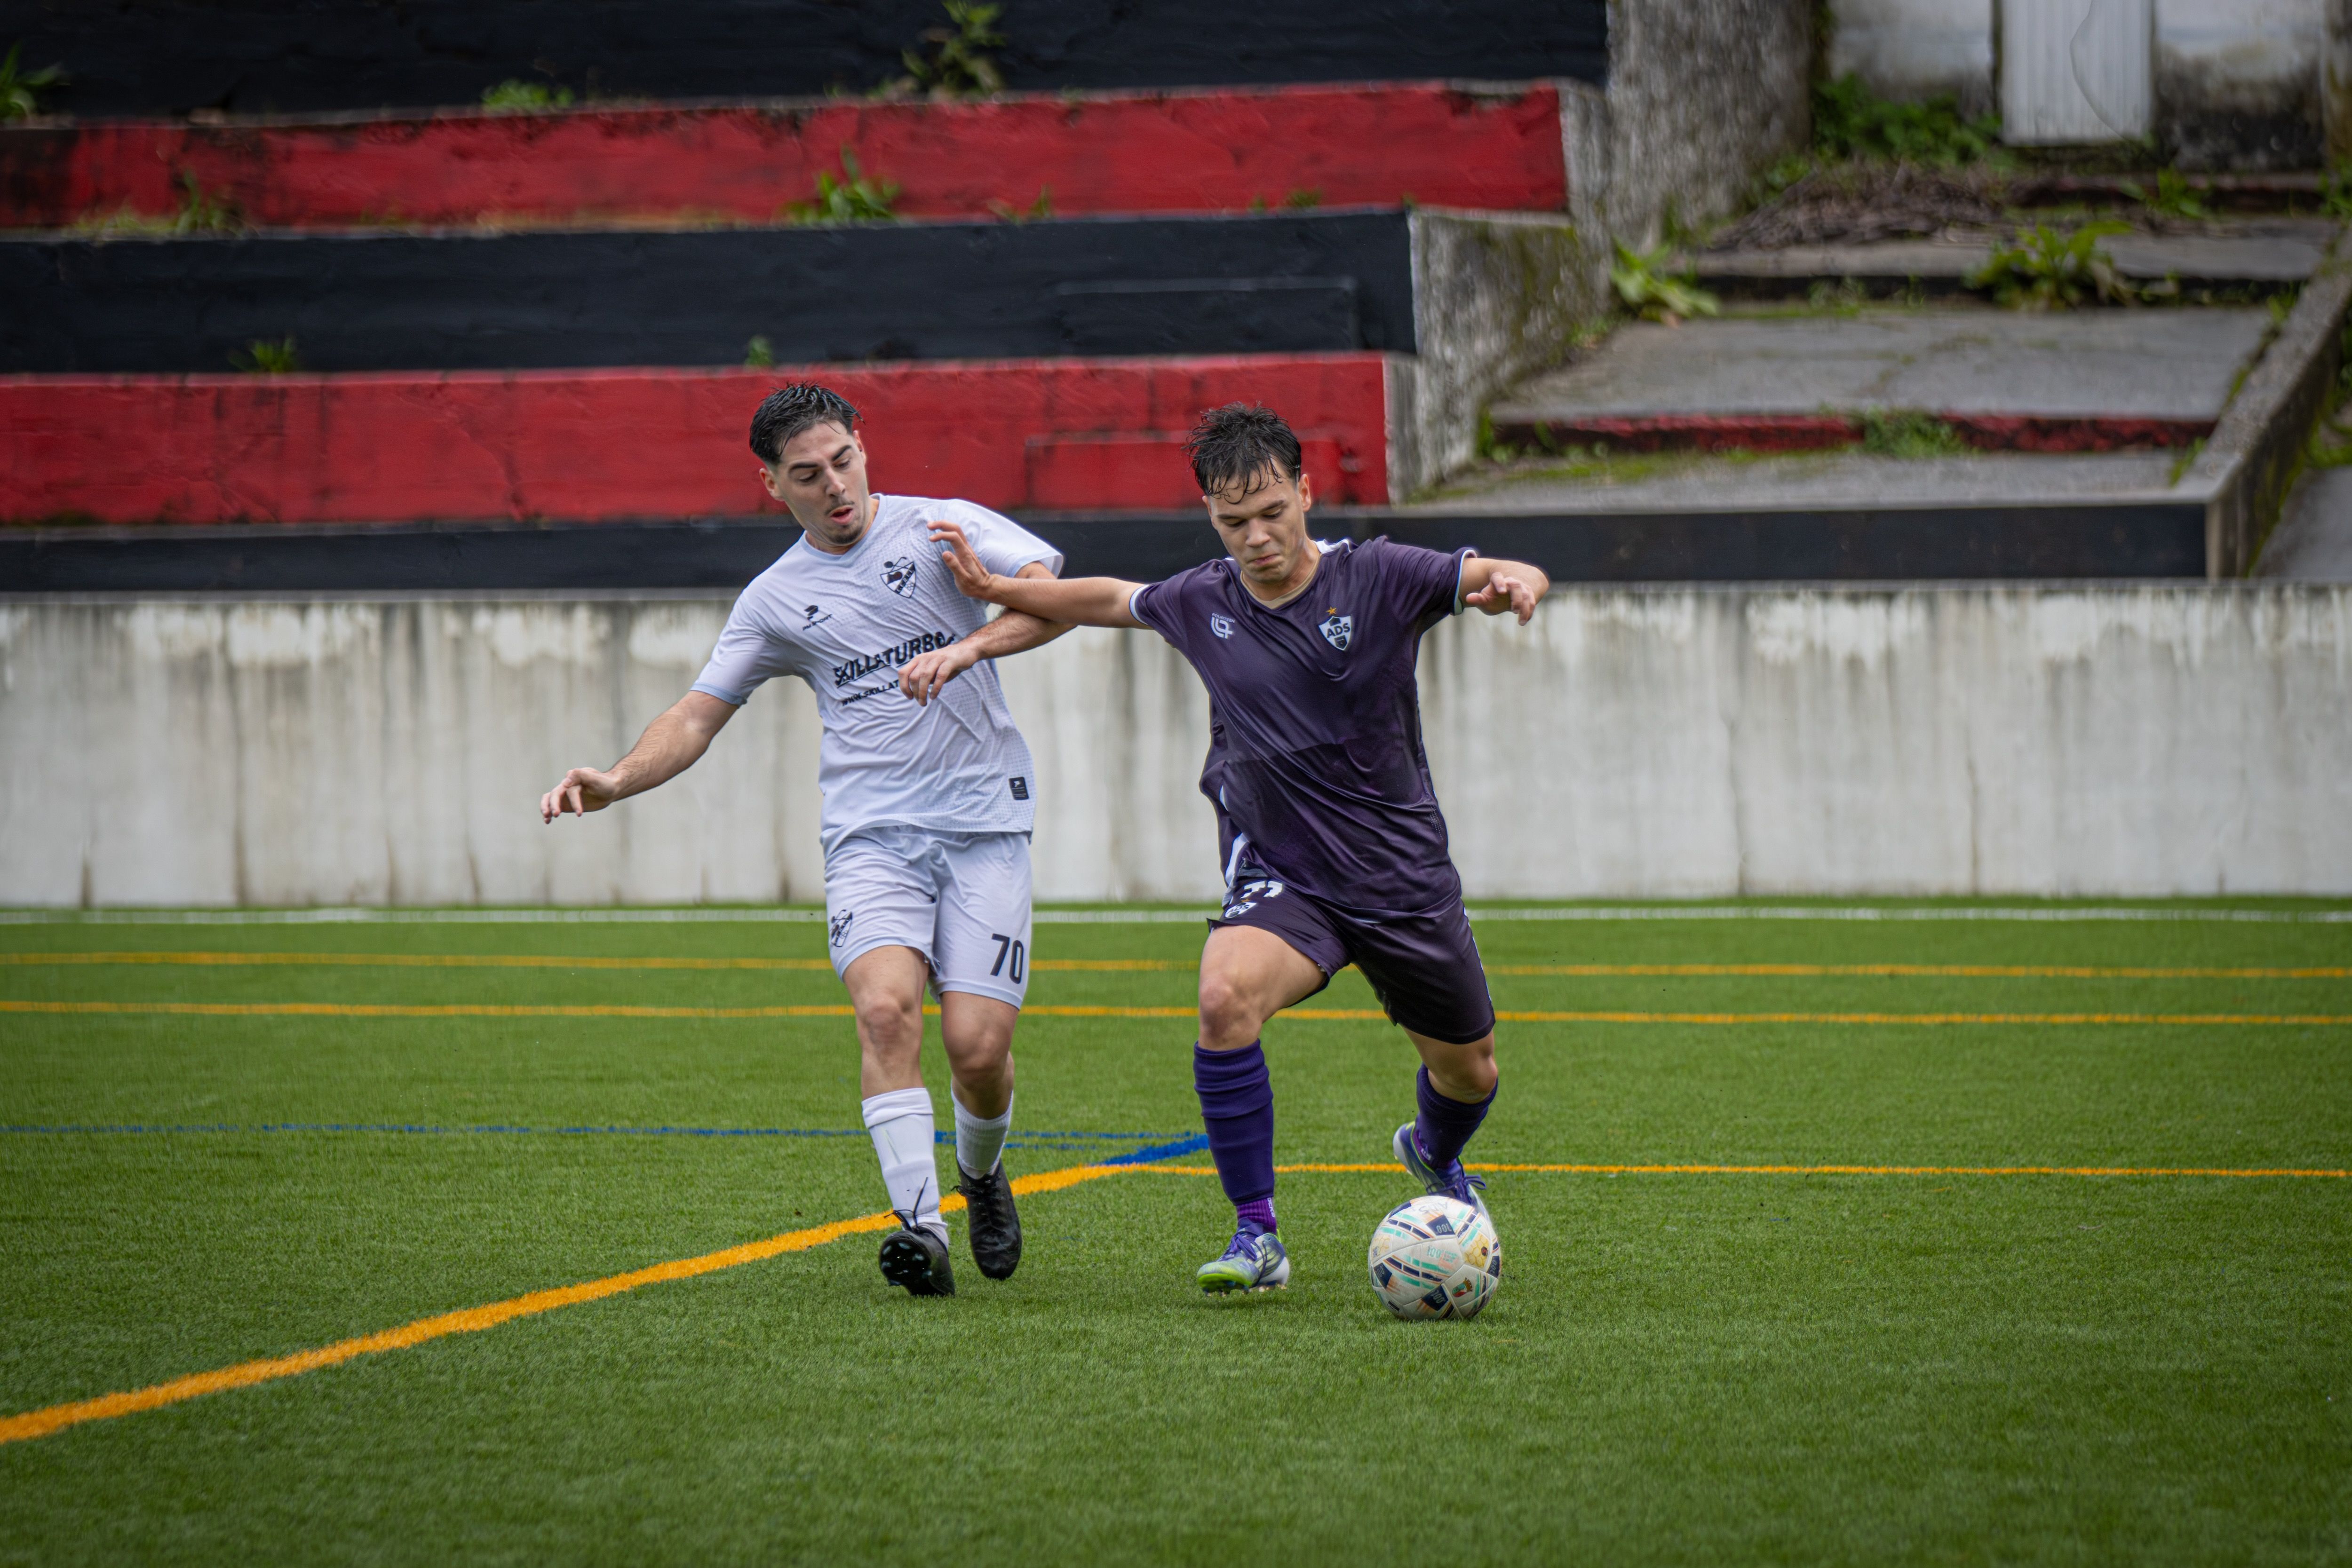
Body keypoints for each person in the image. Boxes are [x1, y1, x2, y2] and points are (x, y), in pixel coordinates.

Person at [926, 402, 1549, 1294]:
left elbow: (1497, 569)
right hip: (1285, 874)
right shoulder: (1203, 598)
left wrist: (1518, 583)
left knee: (1469, 1070)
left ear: (1304, 490)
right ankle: (1258, 1234)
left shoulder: (1378, 575)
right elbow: (1107, 598)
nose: (1257, 537)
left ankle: (1435, 1154)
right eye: (1233, 522)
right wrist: (997, 593)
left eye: (1271, 513)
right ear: (1212, 517)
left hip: (1402, 875)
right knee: (1223, 998)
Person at [539, 382, 1070, 1298]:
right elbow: (697, 714)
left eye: (842, 461)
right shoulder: (775, 599)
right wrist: (618, 778)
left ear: (863, 445)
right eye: (807, 475)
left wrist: (970, 645)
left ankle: (982, 1174)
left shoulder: (941, 526)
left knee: (977, 1049)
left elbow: (1055, 601)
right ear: (771, 485)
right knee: (885, 1012)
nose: (835, 485)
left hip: (985, 824)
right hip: (870, 836)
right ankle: (920, 1228)